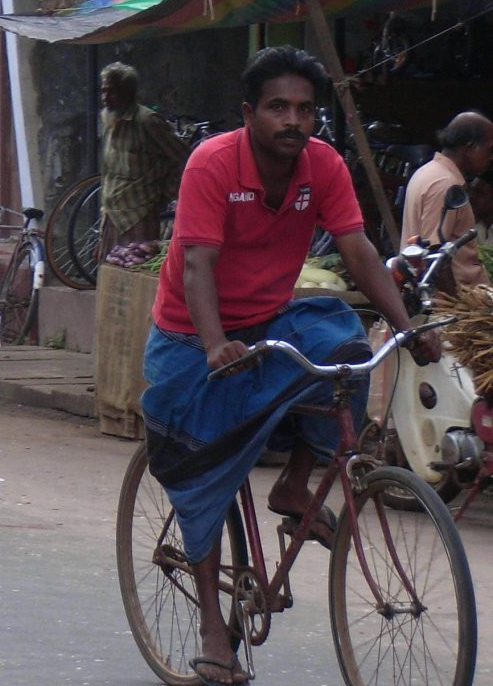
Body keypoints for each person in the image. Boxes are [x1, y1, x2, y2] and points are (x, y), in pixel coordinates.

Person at [140, 46, 440, 686]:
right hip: (193, 338)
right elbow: (198, 264)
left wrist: (408, 329)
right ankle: (213, 630)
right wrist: (216, 342)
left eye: (305, 109)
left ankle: (294, 483)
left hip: (267, 322)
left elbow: (357, 249)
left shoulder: (323, 165)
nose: (293, 120)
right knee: (206, 477)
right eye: (278, 107)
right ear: (249, 113)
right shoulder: (213, 163)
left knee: (343, 344)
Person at [98, 62, 191, 257]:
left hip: (138, 215)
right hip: (111, 214)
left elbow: (184, 157)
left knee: (135, 274)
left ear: (127, 92)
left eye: (111, 92)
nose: (105, 98)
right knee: (108, 276)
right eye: (103, 91)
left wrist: (165, 193)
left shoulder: (147, 121)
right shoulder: (109, 120)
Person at [398, 111, 492, 293]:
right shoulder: (445, 183)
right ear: (470, 148)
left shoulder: (429, 172)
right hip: (451, 304)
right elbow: (435, 257)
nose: (491, 158)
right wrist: (457, 303)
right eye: (489, 150)